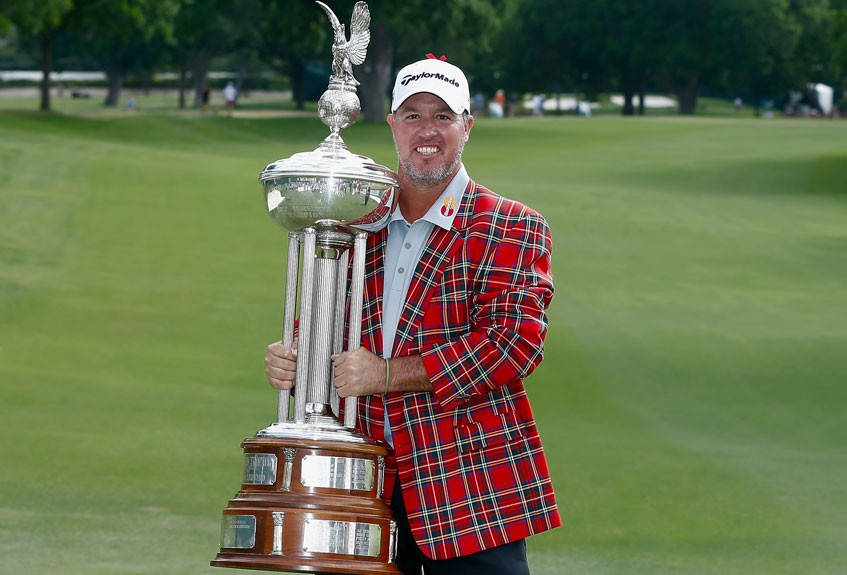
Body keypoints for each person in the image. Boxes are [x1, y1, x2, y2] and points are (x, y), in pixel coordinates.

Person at [265, 55, 561, 575]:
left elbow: (513, 344)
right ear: (393, 125)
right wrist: (295, 360)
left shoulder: (512, 225)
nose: (428, 132)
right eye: (413, 116)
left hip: (467, 481)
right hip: (362, 481)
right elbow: (318, 328)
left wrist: (385, 374)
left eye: (443, 117)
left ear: (467, 127)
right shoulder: (356, 223)